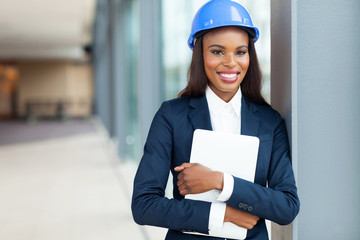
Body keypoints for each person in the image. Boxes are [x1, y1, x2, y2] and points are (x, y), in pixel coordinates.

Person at [131, 0, 300, 239]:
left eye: (240, 52)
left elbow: (286, 206)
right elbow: (144, 205)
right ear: (199, 53)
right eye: (217, 51)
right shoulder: (171, 116)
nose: (231, 62)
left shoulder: (269, 122)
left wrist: (220, 181)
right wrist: (222, 216)